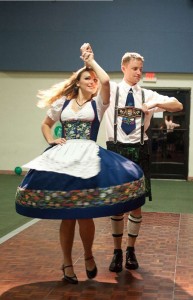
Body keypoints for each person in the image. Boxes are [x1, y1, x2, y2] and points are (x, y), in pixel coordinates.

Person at [15, 44, 146, 284]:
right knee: (68, 216)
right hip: (63, 157)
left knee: (85, 213)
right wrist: (52, 139)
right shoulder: (62, 104)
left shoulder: (98, 103)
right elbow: (45, 124)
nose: (93, 81)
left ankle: (88, 256)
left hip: (86, 157)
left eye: (94, 78)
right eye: (88, 78)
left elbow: (106, 81)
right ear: (78, 82)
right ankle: (66, 263)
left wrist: (91, 62)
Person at [104, 51, 183, 273]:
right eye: (135, 68)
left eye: (141, 68)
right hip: (116, 151)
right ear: (123, 67)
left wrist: (154, 107)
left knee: (136, 205)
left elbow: (177, 105)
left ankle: (130, 251)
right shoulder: (110, 90)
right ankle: (116, 251)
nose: (139, 72)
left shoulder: (146, 94)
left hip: (140, 151)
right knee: (117, 204)